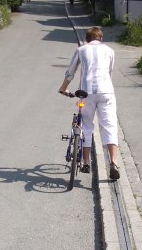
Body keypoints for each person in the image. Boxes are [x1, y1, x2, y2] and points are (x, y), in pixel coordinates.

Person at [59, 27, 120, 180]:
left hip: (86, 92)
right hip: (106, 91)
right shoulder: (110, 51)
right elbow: (109, 72)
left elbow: (71, 72)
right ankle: (113, 162)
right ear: (101, 38)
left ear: (87, 39)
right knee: (109, 125)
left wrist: (63, 88)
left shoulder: (81, 50)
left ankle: (86, 162)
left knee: (86, 126)